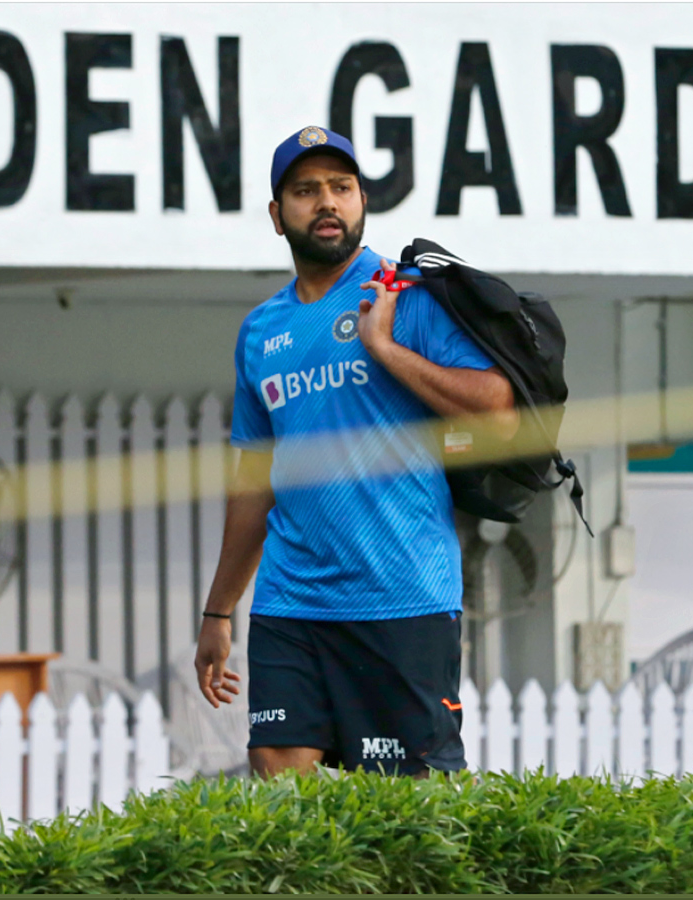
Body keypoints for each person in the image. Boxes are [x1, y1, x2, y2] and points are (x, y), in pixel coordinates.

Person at [193, 125, 518, 778]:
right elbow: (254, 483)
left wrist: (386, 348)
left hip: (401, 595)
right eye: (306, 190)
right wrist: (219, 610)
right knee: (280, 784)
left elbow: (501, 413)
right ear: (277, 215)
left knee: (410, 813)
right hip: (292, 603)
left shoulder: (407, 295)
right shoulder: (261, 331)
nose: (327, 203)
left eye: (341, 188)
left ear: (363, 200)